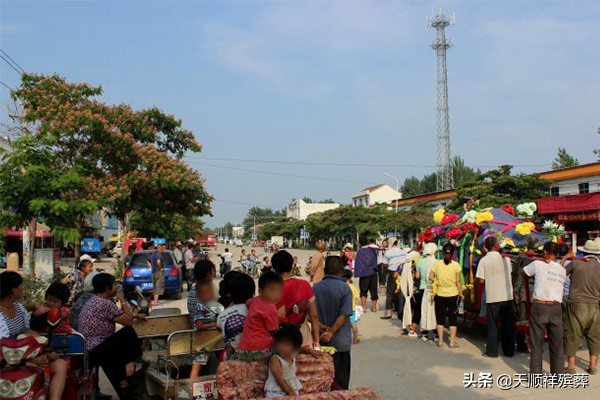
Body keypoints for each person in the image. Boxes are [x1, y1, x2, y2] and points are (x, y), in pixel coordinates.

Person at [78, 273, 144, 399]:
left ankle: (123, 385)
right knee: (128, 332)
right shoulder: (105, 304)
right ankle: (134, 363)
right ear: (108, 288)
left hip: (93, 347)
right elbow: (128, 321)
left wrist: (135, 315)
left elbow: (125, 316)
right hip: (97, 347)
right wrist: (122, 299)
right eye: (114, 285)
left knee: (116, 365)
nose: (116, 288)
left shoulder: (94, 300)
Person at [521, 242, 566, 374]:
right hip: (556, 308)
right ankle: (558, 375)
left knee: (536, 344)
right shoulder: (561, 270)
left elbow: (523, 272)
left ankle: (536, 375)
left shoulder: (537, 264)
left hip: (540, 307)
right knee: (557, 344)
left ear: (545, 252)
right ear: (557, 255)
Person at [313, 256, 353, 390]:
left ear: (324, 270)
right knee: (340, 384)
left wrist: (320, 326)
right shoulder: (345, 289)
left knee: (321, 383)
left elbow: (309, 315)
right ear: (342, 271)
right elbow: (345, 314)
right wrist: (331, 332)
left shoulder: (315, 288)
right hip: (340, 344)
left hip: (320, 342)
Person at [563, 239, 600, 375]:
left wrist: (565, 259)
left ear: (583, 252)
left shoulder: (575, 263)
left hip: (576, 304)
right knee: (594, 336)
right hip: (594, 306)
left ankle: (571, 366)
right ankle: (592, 365)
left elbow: (560, 273)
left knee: (573, 334)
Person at [272, 250, 321, 348]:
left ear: (274, 268)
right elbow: (314, 315)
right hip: (302, 337)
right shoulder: (304, 285)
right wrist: (316, 342)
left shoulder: (270, 289)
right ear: (292, 265)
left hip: (278, 338)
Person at [476, 236, 515, 358]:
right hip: (507, 296)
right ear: (497, 246)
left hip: (493, 297)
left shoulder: (483, 261)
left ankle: (492, 352)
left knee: (493, 325)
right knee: (507, 325)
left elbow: (481, 280)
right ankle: (509, 351)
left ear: (486, 247)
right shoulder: (506, 260)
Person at [18, 313, 68, 400]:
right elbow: (51, 356)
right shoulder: (43, 340)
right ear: (46, 328)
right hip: (40, 371)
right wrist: (56, 354)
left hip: (21, 368)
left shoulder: (20, 337)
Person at [237, 271, 283, 360]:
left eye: (279, 291)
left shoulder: (255, 300)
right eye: (272, 290)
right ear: (260, 291)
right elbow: (273, 331)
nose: (276, 294)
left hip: (243, 349)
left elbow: (247, 303)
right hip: (260, 350)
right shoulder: (270, 307)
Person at [430, 243, 463, 348]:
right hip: (453, 295)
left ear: (443, 252)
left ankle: (440, 341)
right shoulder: (456, 265)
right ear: (453, 253)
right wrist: (461, 293)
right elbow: (458, 281)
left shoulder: (437, 264)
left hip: (440, 294)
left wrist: (437, 281)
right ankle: (452, 342)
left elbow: (430, 276)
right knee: (453, 319)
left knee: (441, 318)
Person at [217, 273, 256, 359]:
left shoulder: (222, 315)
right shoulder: (258, 310)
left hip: (231, 362)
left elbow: (219, 325)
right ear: (253, 292)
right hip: (255, 359)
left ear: (231, 293)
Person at [264, 324, 304, 398]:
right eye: (280, 343)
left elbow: (301, 349)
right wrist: (291, 393)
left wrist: (310, 350)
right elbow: (280, 379)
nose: (281, 347)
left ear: (295, 348)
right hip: (276, 392)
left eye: (286, 344)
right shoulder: (275, 359)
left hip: (292, 389)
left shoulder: (293, 355)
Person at [0, 271, 31, 339]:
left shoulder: (19, 307)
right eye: (21, 285)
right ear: (14, 290)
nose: (23, 288)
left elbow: (29, 329)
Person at [417, 243, 438, 342]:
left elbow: (417, 276)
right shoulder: (437, 262)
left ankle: (424, 334)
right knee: (434, 312)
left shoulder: (420, 262)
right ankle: (436, 334)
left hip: (422, 289)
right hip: (434, 289)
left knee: (424, 310)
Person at [381, 240, 406, 320]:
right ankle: (400, 311)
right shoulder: (403, 251)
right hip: (403, 272)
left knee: (390, 291)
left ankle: (389, 312)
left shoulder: (388, 252)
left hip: (392, 272)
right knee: (401, 292)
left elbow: (384, 264)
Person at [354, 237, 379, 313]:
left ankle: (364, 308)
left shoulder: (360, 252)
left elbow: (357, 263)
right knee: (374, 291)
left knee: (363, 291)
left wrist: (357, 273)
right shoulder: (372, 250)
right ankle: (374, 307)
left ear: (360, 243)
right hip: (373, 273)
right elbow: (375, 260)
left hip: (364, 274)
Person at [343, 269, 361, 344]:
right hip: (352, 308)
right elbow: (357, 298)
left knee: (343, 325)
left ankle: (344, 339)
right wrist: (356, 305)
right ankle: (355, 338)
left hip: (344, 309)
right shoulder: (353, 287)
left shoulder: (343, 286)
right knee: (353, 323)